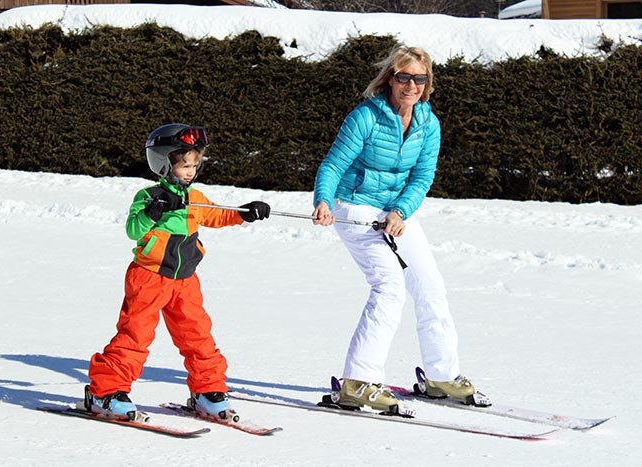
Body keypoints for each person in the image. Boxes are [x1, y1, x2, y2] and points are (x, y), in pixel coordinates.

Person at [312, 45, 490, 412]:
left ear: (427, 84)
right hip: (354, 204)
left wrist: (400, 211)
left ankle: (441, 376)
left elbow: (422, 177)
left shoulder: (429, 124)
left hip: (395, 211)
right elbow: (333, 164)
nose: (411, 85)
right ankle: (358, 382)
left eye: (419, 79)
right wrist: (324, 201)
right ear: (390, 80)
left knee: (429, 285)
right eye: (404, 77)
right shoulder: (365, 117)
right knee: (390, 286)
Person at [84, 123, 271, 421]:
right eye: (184, 165)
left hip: (185, 282)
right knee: (136, 335)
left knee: (198, 335)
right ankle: (104, 392)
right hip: (149, 278)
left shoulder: (193, 197)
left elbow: (216, 214)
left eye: (194, 165)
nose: (190, 172)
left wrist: (243, 212)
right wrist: (153, 211)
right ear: (163, 162)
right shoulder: (149, 196)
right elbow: (133, 230)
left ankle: (207, 390)